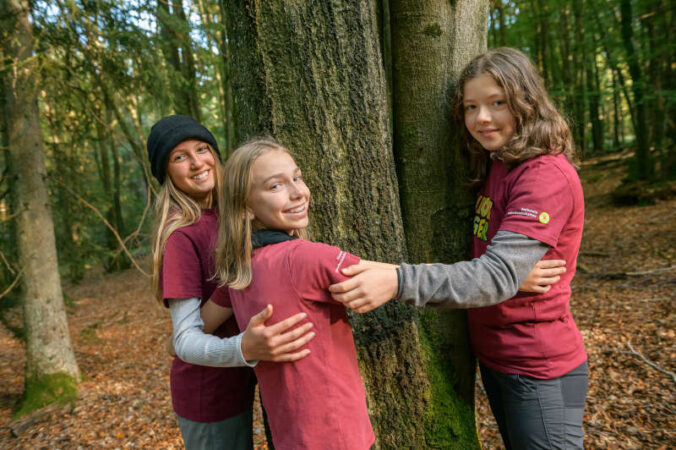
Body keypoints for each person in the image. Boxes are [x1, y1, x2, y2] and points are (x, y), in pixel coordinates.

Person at [329, 47, 588, 450]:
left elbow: (497, 275)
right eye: (471, 107)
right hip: (500, 358)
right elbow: (500, 272)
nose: (481, 118)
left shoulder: (544, 176)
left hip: (537, 365)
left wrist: (398, 280)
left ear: (526, 102)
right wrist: (508, 275)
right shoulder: (499, 163)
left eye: (497, 103)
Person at [147, 115, 316, 450]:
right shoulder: (180, 235)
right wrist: (245, 347)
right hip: (209, 394)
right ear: (165, 171)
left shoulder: (237, 211)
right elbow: (185, 340)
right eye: (179, 157)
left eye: (202, 149)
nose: (197, 162)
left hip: (251, 377)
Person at [202, 139, 376, 449]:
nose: (299, 192)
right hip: (337, 433)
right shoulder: (308, 258)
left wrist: (240, 345)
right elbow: (397, 278)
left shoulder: (239, 274)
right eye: (275, 186)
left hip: (290, 434)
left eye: (296, 177)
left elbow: (196, 328)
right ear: (245, 209)